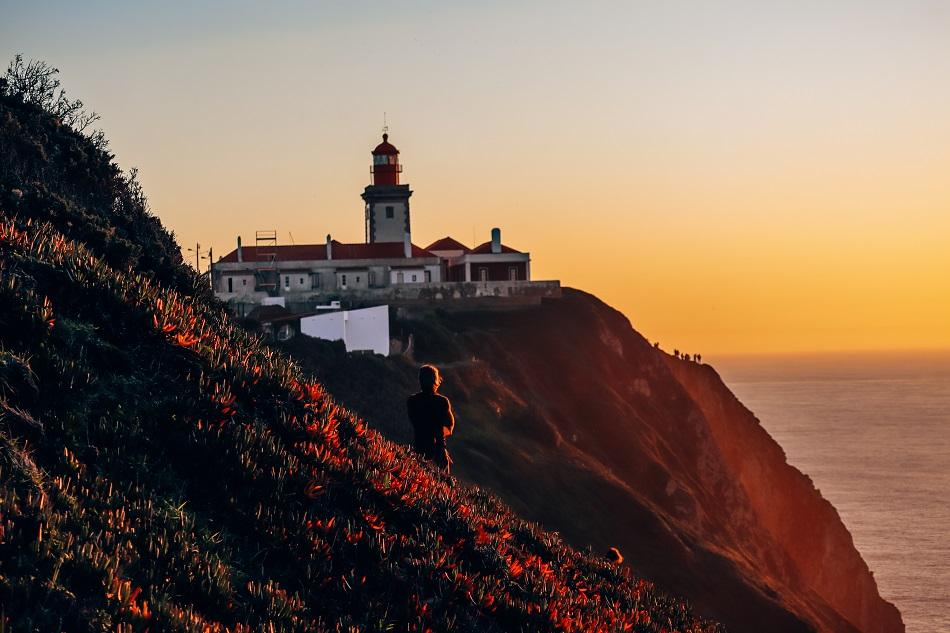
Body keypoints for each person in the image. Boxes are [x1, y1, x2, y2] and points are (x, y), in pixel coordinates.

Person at [406, 364, 455, 472]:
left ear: (420, 380)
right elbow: (449, 428)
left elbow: (415, 423)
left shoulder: (412, 401)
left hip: (419, 451)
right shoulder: (442, 401)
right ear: (435, 381)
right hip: (438, 454)